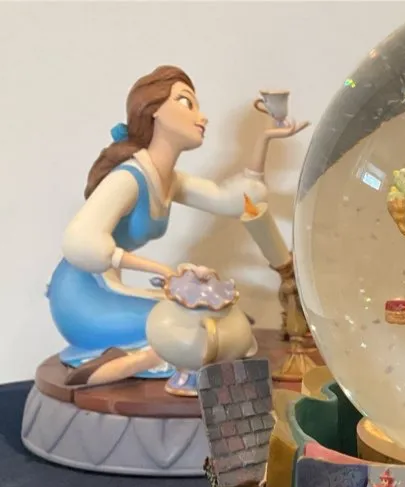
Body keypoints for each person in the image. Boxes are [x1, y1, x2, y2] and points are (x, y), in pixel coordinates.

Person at [49, 65, 305, 390]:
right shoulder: (128, 178)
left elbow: (233, 201)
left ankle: (151, 356)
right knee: (192, 326)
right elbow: (80, 242)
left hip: (108, 288)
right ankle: (140, 360)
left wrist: (265, 139)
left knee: (216, 319)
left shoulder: (169, 180)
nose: (202, 116)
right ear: (153, 110)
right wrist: (160, 269)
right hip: (81, 297)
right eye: (186, 103)